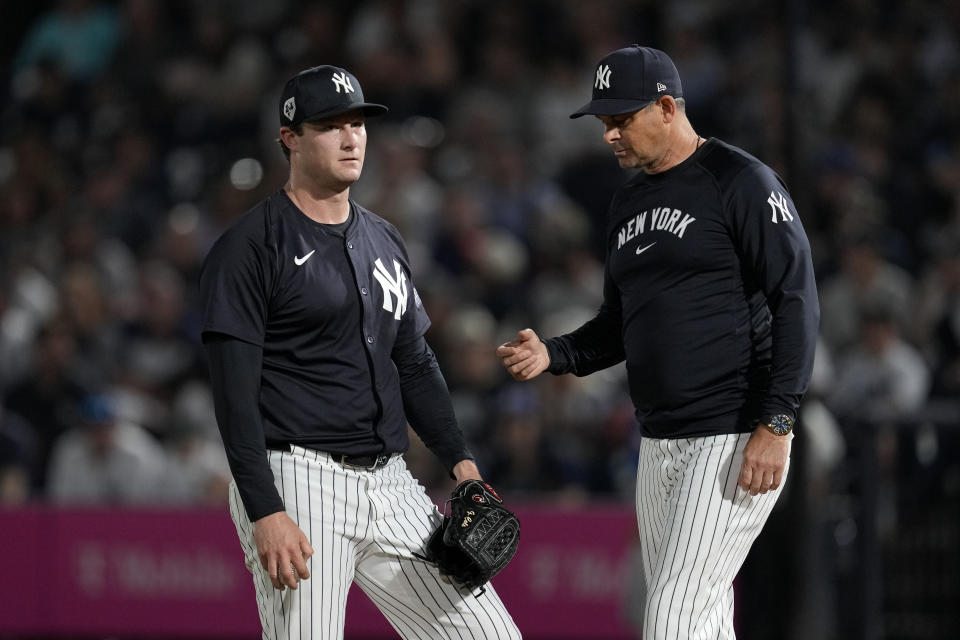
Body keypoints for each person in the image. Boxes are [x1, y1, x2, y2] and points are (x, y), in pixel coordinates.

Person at [497, 45, 819, 639]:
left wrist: (777, 423)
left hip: (731, 435)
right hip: (660, 443)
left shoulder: (740, 180)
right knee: (702, 618)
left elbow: (797, 299)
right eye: (604, 122)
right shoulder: (628, 200)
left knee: (672, 616)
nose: (610, 134)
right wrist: (555, 353)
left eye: (621, 119)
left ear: (667, 107)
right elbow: (619, 324)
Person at [199, 65, 520, 640]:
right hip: (297, 478)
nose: (351, 138)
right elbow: (233, 395)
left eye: (358, 123)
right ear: (289, 138)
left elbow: (414, 361)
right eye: (330, 126)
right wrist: (264, 509)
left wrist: (461, 462)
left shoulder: (384, 237)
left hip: (390, 482)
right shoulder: (250, 247)